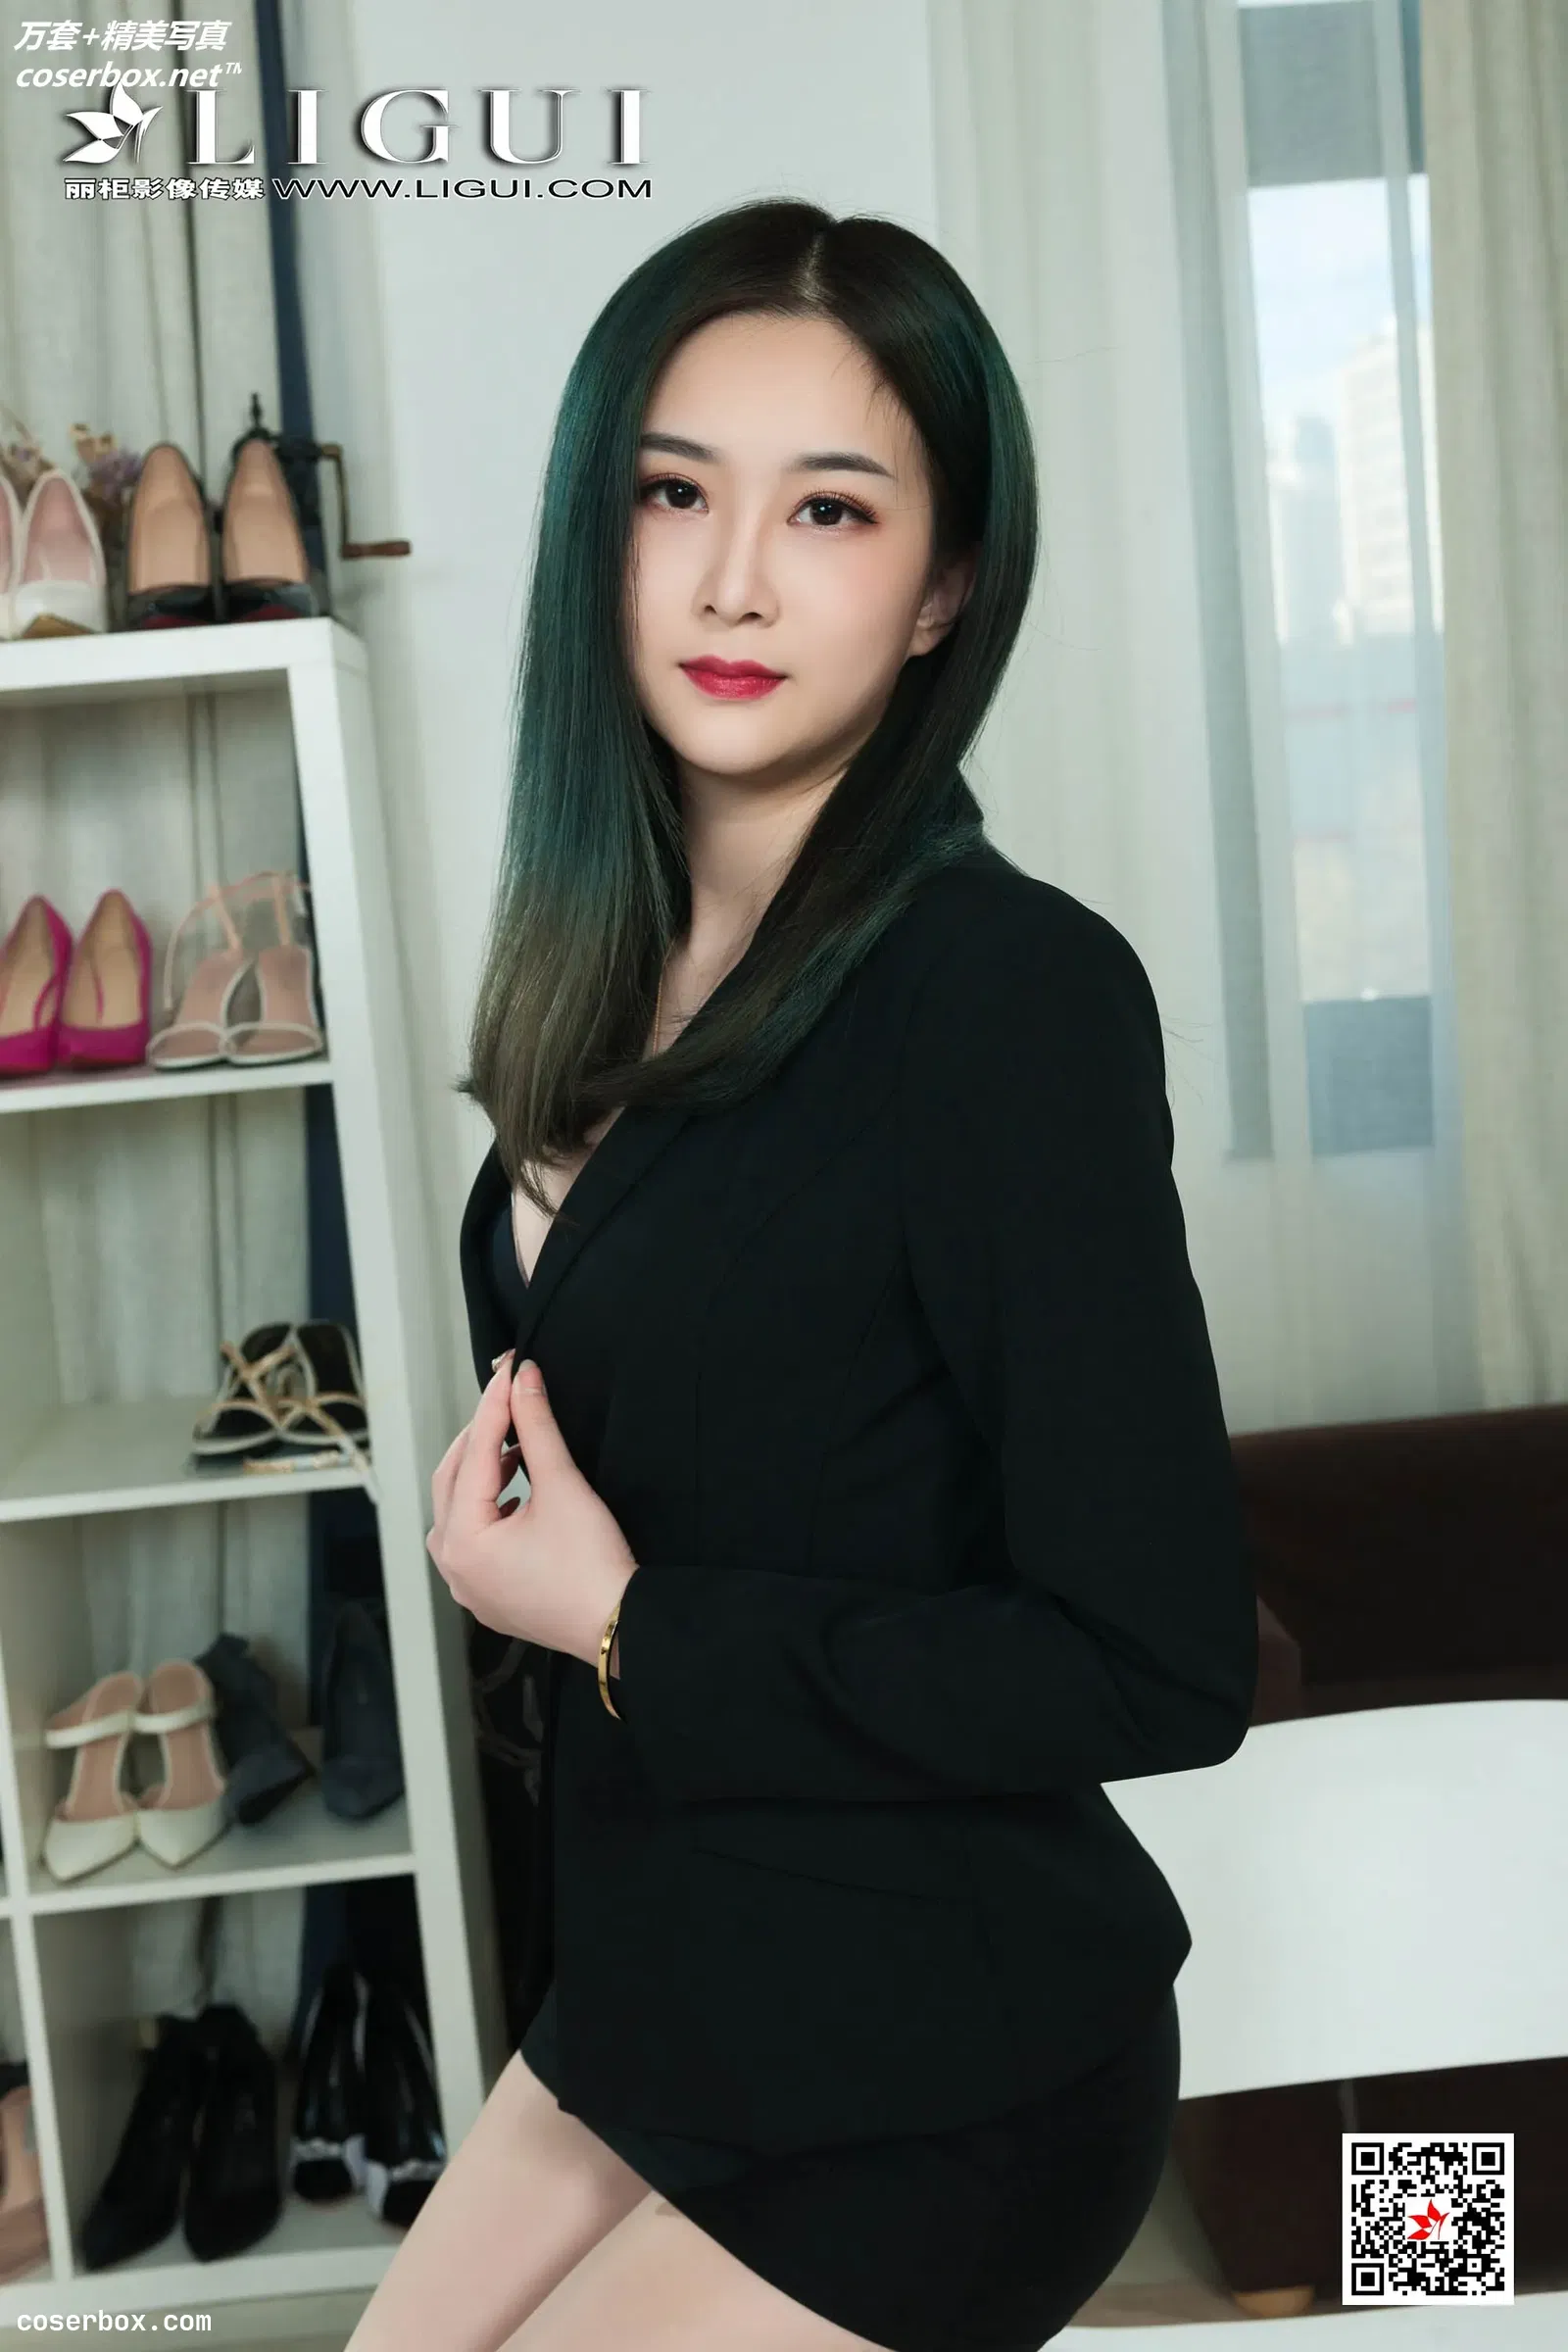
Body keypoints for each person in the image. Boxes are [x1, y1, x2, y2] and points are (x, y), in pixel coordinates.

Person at [347, 197, 1258, 2352]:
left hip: (943, 2064)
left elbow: (1157, 1666)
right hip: (659, 1993)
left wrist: (622, 1624)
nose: (732, 578)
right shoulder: (599, 976)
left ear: (942, 588)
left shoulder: (1006, 998)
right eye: (673, 493)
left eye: (829, 509)